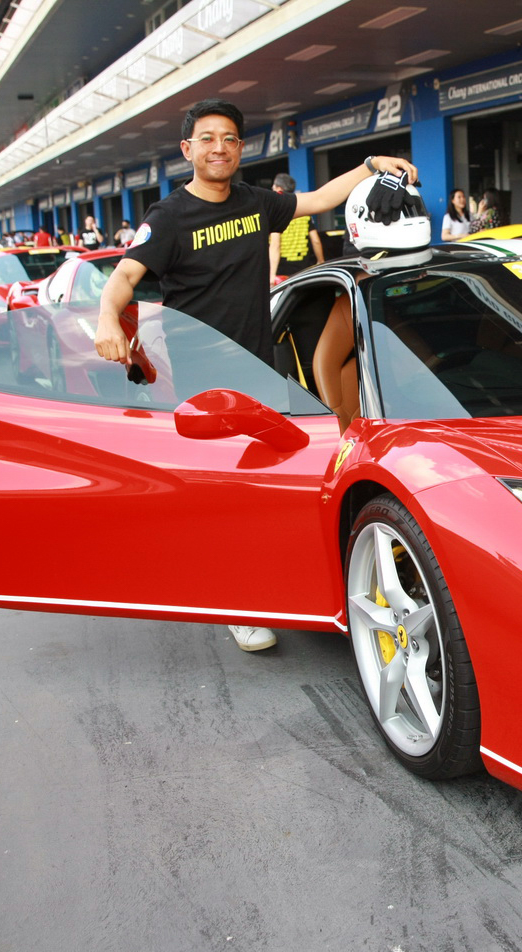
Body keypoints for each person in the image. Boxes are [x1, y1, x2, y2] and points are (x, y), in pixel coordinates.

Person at [95, 99, 418, 651]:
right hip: (204, 385)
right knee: (222, 498)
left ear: (240, 148)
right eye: (207, 138)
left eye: (229, 138)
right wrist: (107, 319)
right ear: (188, 149)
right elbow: (124, 277)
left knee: (266, 490)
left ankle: (280, 581)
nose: (218, 148)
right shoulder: (168, 217)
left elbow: (318, 199)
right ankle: (240, 603)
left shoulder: (255, 202)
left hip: (259, 369)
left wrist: (371, 166)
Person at [267, 174, 323, 279]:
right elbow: (315, 240)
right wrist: (321, 261)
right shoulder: (303, 212)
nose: (272, 188)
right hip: (303, 269)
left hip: (282, 271)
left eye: (274, 186)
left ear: (279, 189)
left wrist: (272, 274)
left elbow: (275, 244)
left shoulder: (277, 212)